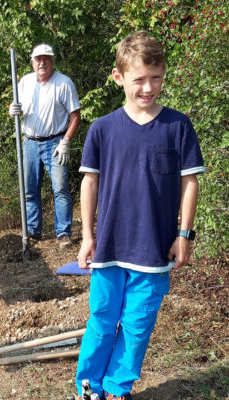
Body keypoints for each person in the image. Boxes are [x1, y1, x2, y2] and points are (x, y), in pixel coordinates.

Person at [74, 32, 205, 400]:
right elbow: (89, 183)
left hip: (154, 252)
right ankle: (88, 388)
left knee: (136, 327)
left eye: (156, 77)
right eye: (139, 79)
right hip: (109, 249)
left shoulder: (178, 127)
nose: (148, 87)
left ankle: (117, 390)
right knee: (101, 323)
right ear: (119, 78)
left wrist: (184, 234)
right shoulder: (102, 129)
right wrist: (87, 236)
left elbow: (190, 183)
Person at [9, 43, 81, 249]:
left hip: (55, 142)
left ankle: (63, 234)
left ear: (52, 61)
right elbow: (16, 110)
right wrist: (12, 110)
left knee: (60, 189)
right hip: (30, 142)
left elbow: (75, 115)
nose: (42, 63)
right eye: (38, 59)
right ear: (32, 62)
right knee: (30, 190)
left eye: (46, 59)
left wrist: (66, 141)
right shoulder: (24, 82)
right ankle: (33, 232)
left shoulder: (64, 83)